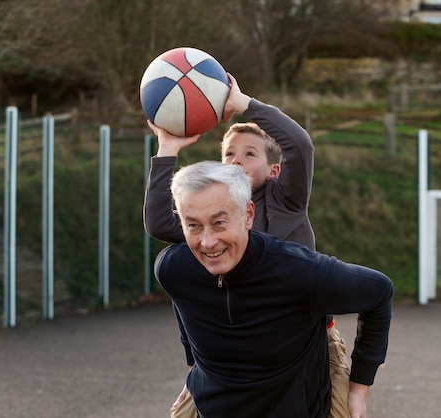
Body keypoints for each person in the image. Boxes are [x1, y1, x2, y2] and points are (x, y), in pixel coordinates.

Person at [144, 74, 351, 416]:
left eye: (249, 153)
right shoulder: (216, 217)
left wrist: (243, 105)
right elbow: (160, 223)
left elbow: (300, 146)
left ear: (274, 170)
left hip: (308, 345)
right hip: (233, 350)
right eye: (229, 153)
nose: (236, 159)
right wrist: (167, 149)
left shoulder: (286, 201)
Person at [154, 160, 393, 418]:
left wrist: (358, 389)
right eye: (194, 225)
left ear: (248, 215)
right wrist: (193, 364)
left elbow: (379, 292)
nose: (208, 241)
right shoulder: (174, 269)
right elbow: (183, 303)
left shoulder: (299, 272)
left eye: (219, 223)